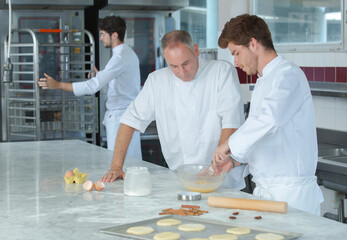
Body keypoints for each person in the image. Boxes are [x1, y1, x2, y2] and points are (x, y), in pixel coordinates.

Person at [101, 30, 246, 190]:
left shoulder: (221, 72)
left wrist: (215, 167)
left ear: (196, 50)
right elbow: (129, 121)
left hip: (222, 180)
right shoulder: (157, 81)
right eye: (173, 66)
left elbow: (231, 124)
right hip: (179, 180)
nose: (181, 72)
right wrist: (116, 166)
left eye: (186, 63)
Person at [212, 14, 324, 215]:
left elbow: (269, 119)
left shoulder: (288, 74)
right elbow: (265, 135)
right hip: (266, 192)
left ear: (253, 44)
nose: (235, 62)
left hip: (291, 195)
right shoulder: (264, 80)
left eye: (236, 53)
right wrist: (236, 160)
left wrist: (229, 144)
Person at [38, 16, 142, 159]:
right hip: (127, 116)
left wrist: (58, 85)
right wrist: (101, 75)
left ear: (115, 35)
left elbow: (92, 87)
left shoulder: (119, 57)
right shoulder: (128, 53)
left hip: (120, 119)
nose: (100, 38)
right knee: (130, 164)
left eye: (103, 34)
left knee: (119, 165)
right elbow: (123, 84)